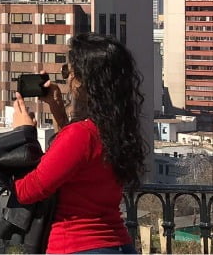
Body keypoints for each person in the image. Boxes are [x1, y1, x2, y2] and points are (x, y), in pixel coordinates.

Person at [11, 32, 147, 254]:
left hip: (76, 244)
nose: (66, 78)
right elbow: (73, 164)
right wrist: (57, 111)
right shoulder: (115, 130)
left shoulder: (81, 135)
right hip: (118, 244)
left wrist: (22, 132)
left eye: (68, 71)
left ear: (84, 80)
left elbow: (27, 190)